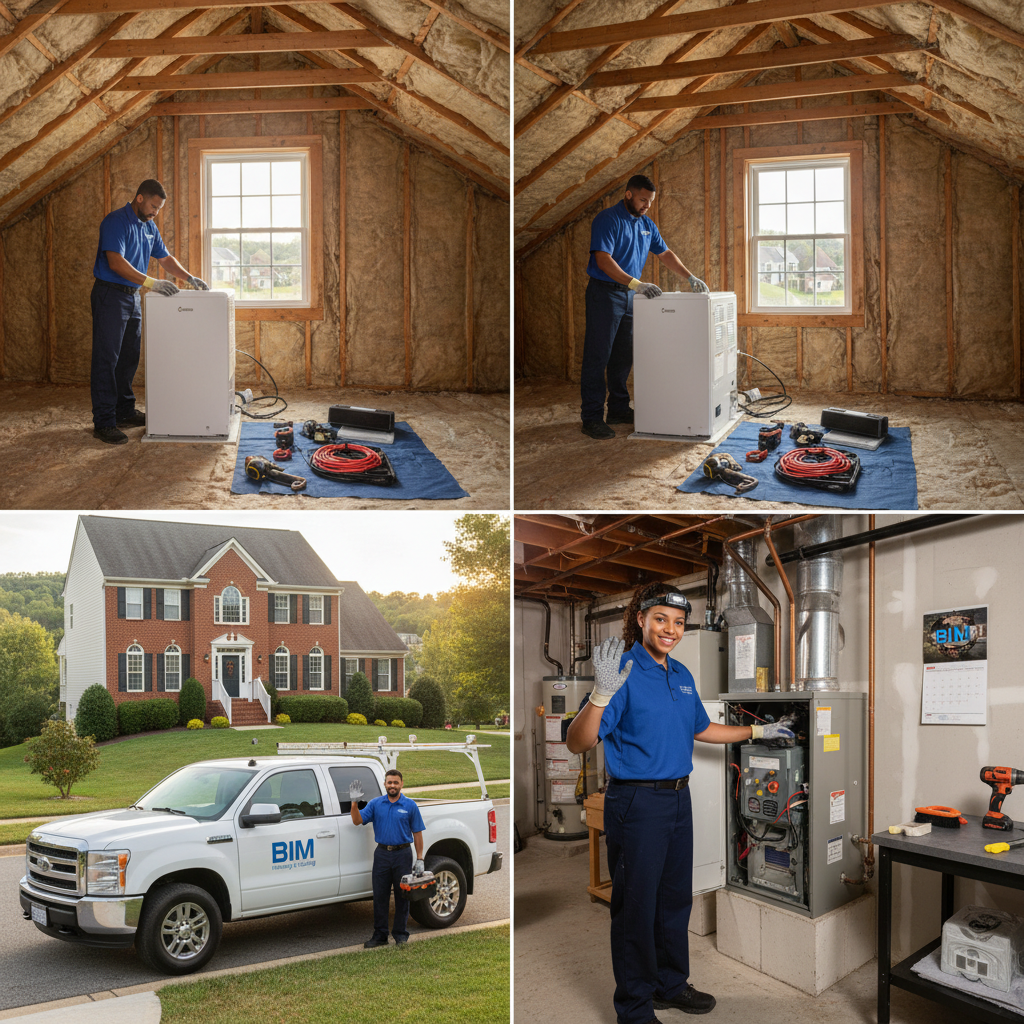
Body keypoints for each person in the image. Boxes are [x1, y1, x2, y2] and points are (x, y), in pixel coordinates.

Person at [566, 582, 795, 1021]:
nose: (670, 629)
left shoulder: (682, 674)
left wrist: (758, 732)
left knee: (674, 900)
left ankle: (669, 985)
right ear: (641, 619)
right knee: (635, 907)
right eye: (660, 619)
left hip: (677, 799)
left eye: (678, 622)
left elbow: (701, 728)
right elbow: (579, 741)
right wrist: (600, 694)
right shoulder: (622, 672)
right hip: (635, 804)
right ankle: (633, 1007)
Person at [581, 174, 710, 440]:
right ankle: (592, 418)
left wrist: (690, 277)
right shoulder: (608, 220)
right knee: (598, 357)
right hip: (605, 294)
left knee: (622, 357)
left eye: (650, 201)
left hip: (630, 298)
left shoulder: (647, 224)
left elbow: (665, 254)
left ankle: (617, 409)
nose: (646, 205)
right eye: (643, 200)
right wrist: (637, 284)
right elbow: (603, 260)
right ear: (628, 194)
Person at [91, 179, 209, 445]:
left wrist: (189, 278)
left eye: (160, 208)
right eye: (154, 206)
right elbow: (115, 262)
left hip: (131, 298)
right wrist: (152, 283)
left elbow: (165, 258)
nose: (156, 211)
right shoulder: (115, 221)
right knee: (106, 360)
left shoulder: (149, 227)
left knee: (129, 358)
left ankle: (124, 410)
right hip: (110, 295)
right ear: (140, 198)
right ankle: (104, 422)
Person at [348, 768, 426, 947]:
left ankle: (400, 935)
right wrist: (354, 802)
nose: (392, 785)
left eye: (395, 782)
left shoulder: (410, 806)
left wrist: (420, 858)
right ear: (384, 784)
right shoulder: (376, 804)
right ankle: (380, 935)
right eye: (389, 782)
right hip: (382, 854)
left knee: (403, 896)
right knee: (380, 896)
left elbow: (417, 833)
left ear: (401, 784)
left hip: (403, 854)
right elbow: (357, 820)